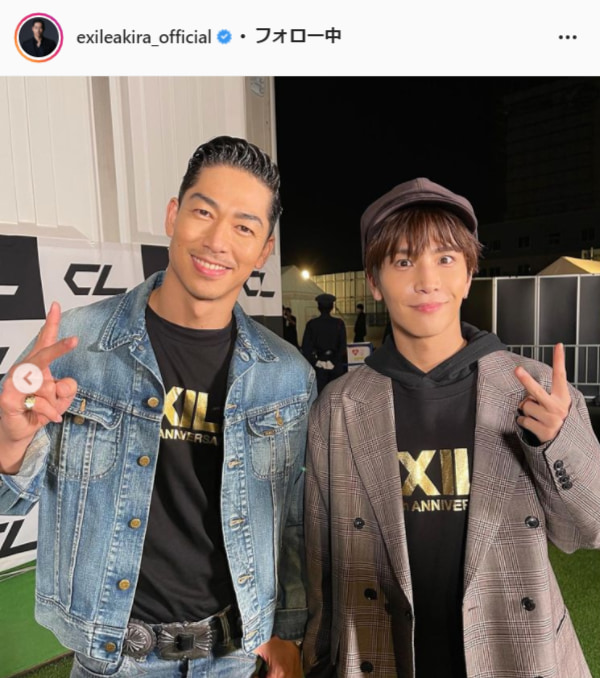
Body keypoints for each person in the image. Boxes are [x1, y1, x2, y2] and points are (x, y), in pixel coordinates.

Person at [0, 136, 316, 678]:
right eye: (203, 212)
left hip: (233, 656)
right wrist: (10, 440)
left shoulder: (286, 376)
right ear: (173, 215)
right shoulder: (78, 346)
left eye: (244, 227)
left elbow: (290, 518)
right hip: (115, 659)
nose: (217, 241)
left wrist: (285, 630)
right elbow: (8, 500)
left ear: (264, 250)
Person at [303, 177, 600, 678]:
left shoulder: (533, 390)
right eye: (403, 262)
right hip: (385, 654)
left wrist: (557, 440)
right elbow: (321, 562)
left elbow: (589, 530)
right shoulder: (339, 407)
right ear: (374, 281)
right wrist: (317, 660)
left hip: (516, 655)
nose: (427, 280)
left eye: (445, 258)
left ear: (468, 274)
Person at [301, 294, 348, 393]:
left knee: (320, 395)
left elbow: (306, 348)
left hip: (318, 367)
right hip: (335, 366)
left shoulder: (312, 324)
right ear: (332, 307)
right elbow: (342, 347)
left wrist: (316, 362)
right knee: (336, 394)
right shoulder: (339, 323)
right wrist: (333, 361)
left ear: (318, 307)